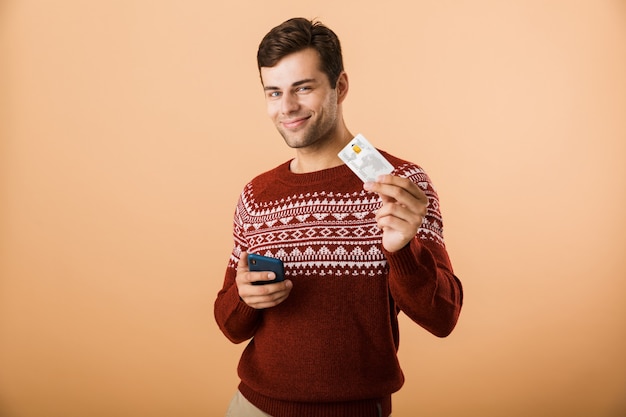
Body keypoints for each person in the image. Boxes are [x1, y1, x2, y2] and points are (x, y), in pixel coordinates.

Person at [214, 17, 463, 417]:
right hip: (252, 408)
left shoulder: (402, 185)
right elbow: (230, 326)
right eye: (274, 92)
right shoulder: (255, 195)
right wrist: (244, 297)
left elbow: (443, 316)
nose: (287, 107)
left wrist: (402, 250)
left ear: (340, 87)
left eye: (303, 88)